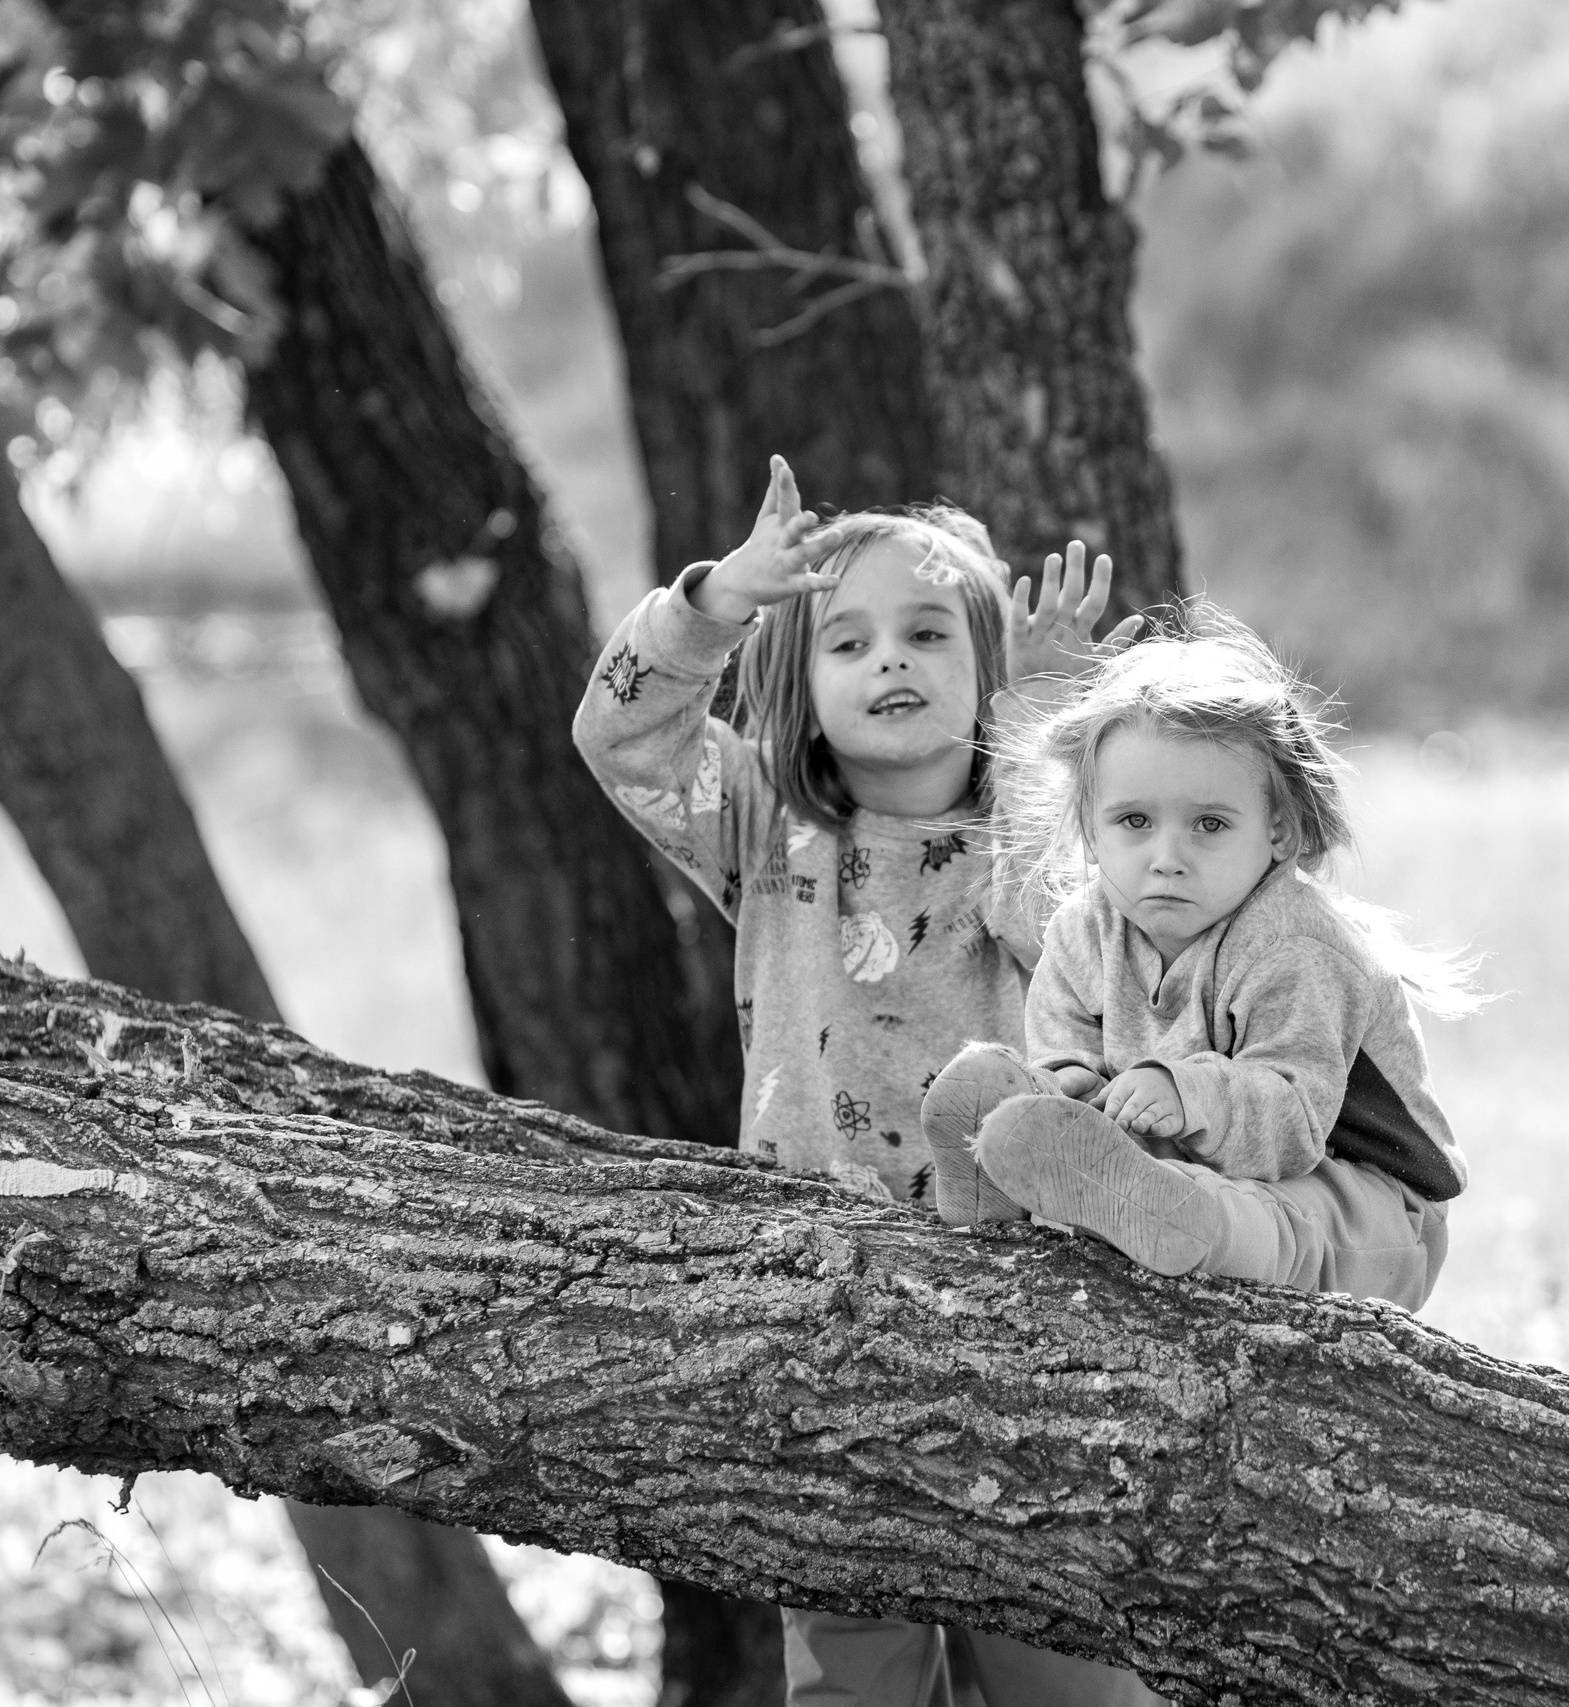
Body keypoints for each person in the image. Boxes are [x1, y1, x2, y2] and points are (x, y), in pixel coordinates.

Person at [574, 456, 1161, 1707]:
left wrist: (1041, 742)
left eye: (929, 633)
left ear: (986, 669)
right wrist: (716, 604)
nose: (890, 659)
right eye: (848, 641)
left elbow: (1085, 958)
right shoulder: (761, 825)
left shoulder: (1044, 830)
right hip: (819, 1317)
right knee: (853, 1671)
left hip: (1025, 1310)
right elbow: (618, 736)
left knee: (1064, 1666)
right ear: (800, 686)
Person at [923, 614, 1478, 1312]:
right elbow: (1071, 1055)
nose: (1167, 857)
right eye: (1135, 821)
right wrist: (1063, 1090)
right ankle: (997, 1171)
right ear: (1091, 824)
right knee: (1083, 1132)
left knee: (1273, 1214)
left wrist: (1186, 1093)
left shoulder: (1296, 947)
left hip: (1365, 1203)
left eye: (1209, 824)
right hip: (1202, 1161)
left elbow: (1290, 1125)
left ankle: (1191, 1222)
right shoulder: (1083, 933)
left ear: (1278, 831)